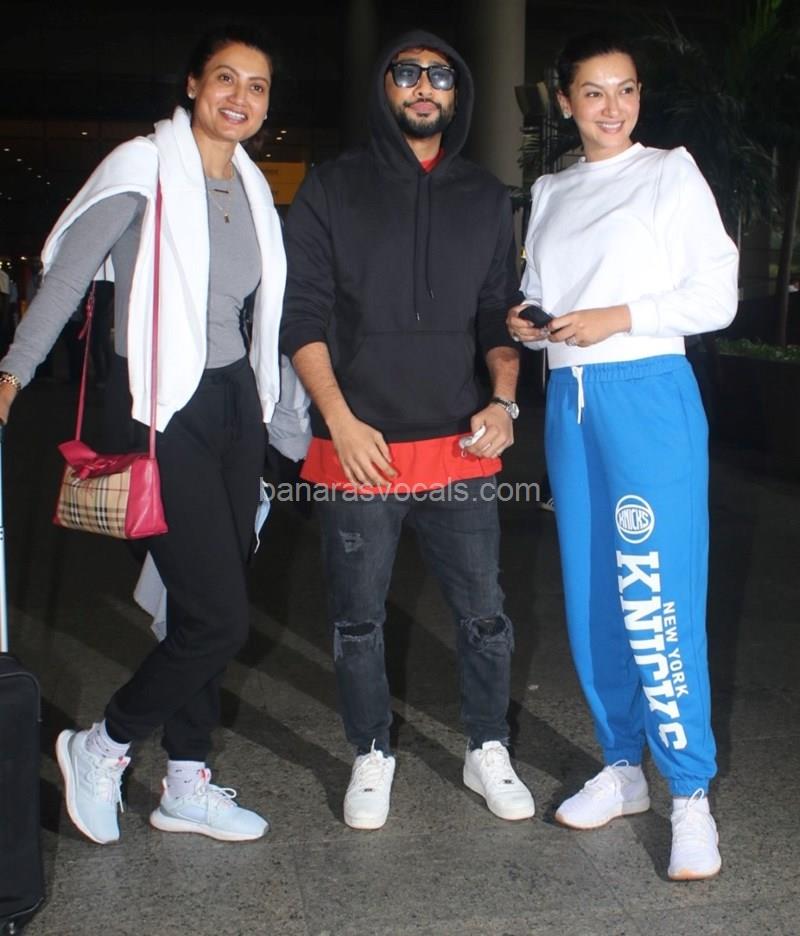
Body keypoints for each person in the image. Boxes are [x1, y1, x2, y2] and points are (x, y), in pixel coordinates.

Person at [0, 24, 290, 845]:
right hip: (161, 404)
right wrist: (11, 376)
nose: (240, 97)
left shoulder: (254, 187)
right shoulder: (142, 167)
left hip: (234, 401)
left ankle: (186, 780)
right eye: (226, 78)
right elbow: (65, 283)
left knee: (198, 607)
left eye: (257, 86)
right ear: (193, 85)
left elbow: (257, 311)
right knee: (219, 619)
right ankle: (102, 745)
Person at [280, 30, 534, 831]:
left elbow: (496, 312)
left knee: (484, 613)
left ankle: (487, 745)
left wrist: (503, 401)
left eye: (441, 76)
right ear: (384, 86)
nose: (425, 86)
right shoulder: (331, 187)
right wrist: (341, 421)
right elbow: (301, 315)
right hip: (360, 444)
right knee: (357, 617)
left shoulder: (486, 198)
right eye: (408, 72)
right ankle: (370, 751)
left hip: (460, 442)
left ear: (458, 95)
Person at [507, 32, 738, 880]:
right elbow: (547, 295)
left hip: (646, 394)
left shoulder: (668, 173)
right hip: (571, 404)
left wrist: (619, 317)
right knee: (593, 593)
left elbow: (716, 294)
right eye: (595, 92)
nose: (614, 108)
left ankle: (690, 793)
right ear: (565, 101)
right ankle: (621, 765)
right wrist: (530, 322)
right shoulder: (551, 189)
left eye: (627, 89)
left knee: (657, 591)